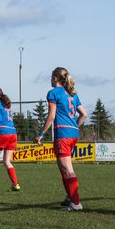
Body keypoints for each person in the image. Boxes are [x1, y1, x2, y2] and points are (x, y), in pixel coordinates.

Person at [36, 67, 88, 211]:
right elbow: (84, 114)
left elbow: (51, 116)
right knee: (63, 168)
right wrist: (75, 127)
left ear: (56, 78)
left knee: (68, 169)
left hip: (63, 135)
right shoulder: (72, 94)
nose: (50, 80)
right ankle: (70, 197)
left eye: (51, 77)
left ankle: (76, 204)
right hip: (73, 134)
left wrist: (41, 134)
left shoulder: (53, 93)